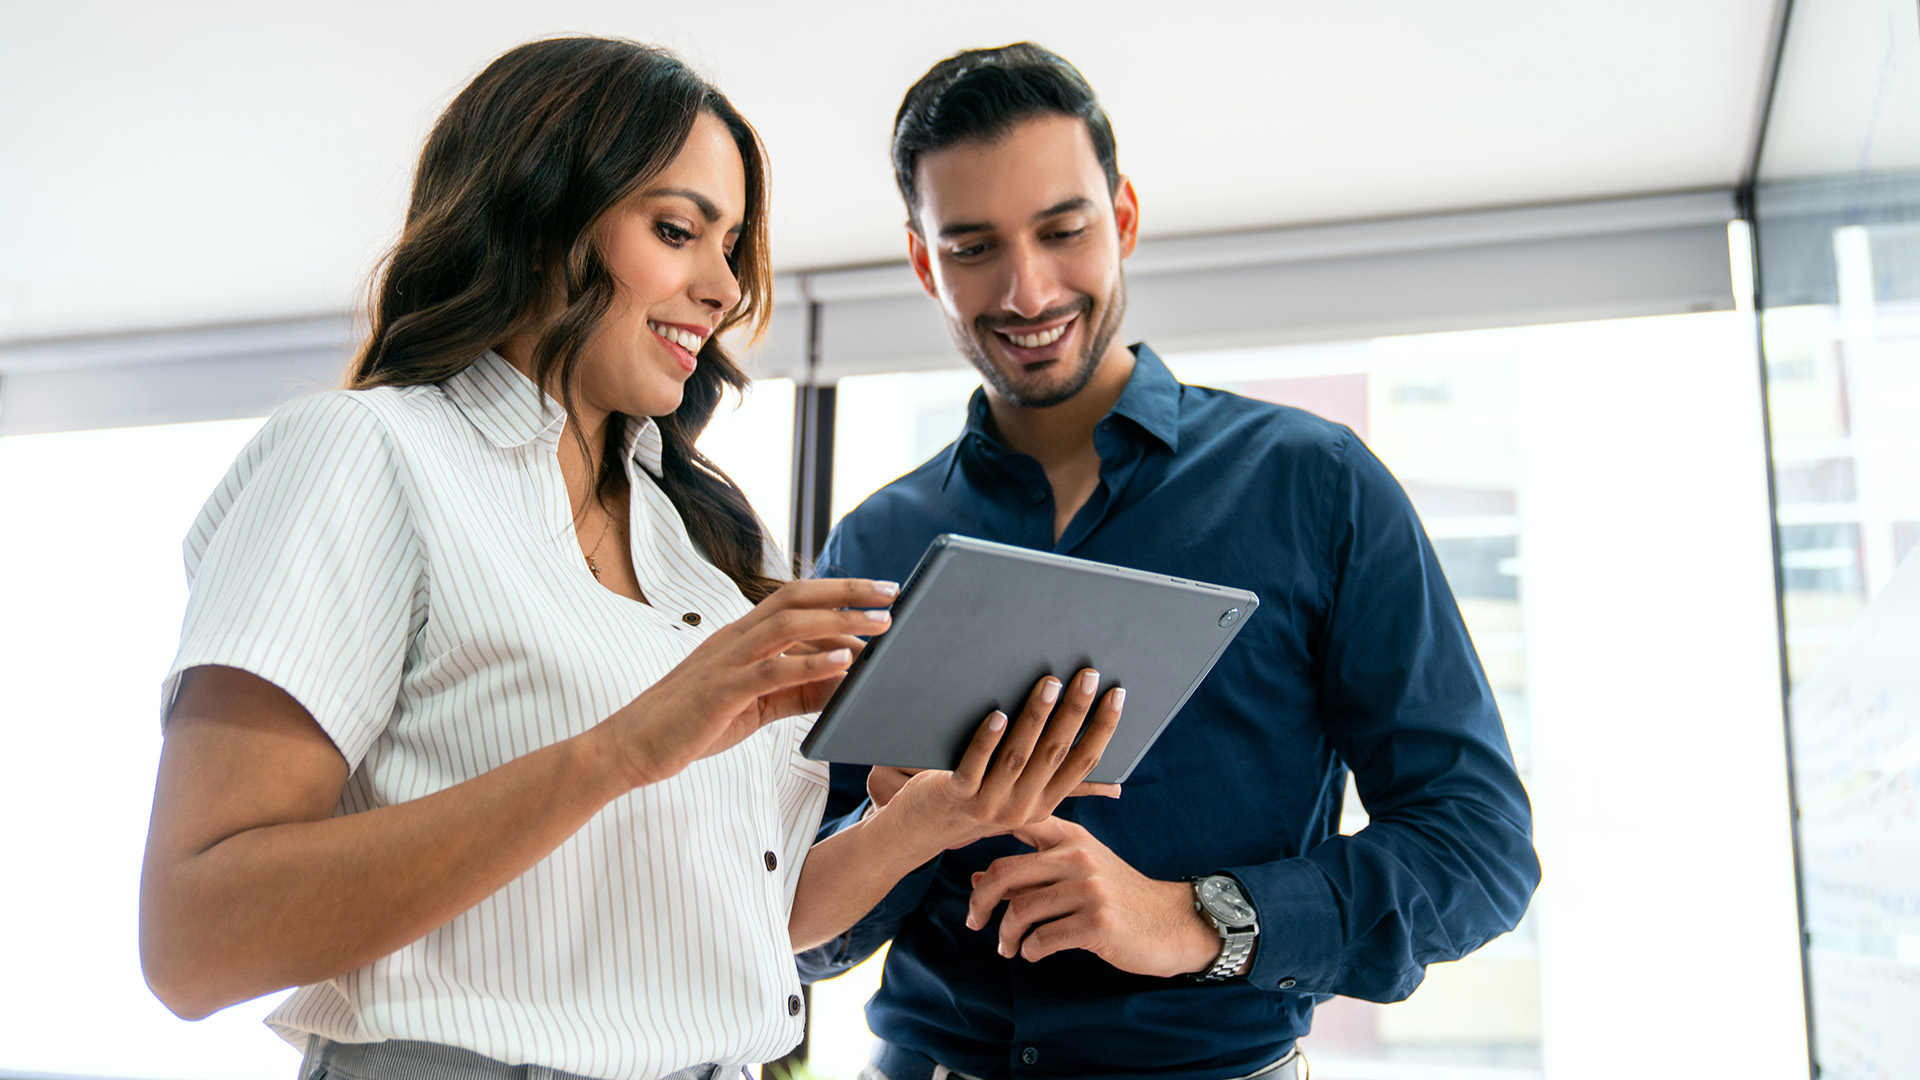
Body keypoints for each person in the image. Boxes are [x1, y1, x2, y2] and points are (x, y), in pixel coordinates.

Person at [138, 37, 1122, 1080]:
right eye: (675, 230)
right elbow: (196, 939)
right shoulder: (367, 456)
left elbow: (729, 928)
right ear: (537, 215)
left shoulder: (698, 542)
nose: (723, 288)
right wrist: (622, 748)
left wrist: (925, 820)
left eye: (731, 244)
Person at [798, 43, 1543, 1080]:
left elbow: (1478, 850)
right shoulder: (875, 544)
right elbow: (800, 930)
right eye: (973, 248)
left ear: (1125, 219)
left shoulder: (1314, 486)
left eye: (1064, 231)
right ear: (925, 264)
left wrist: (1193, 919)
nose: (1026, 289)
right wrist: (897, 827)